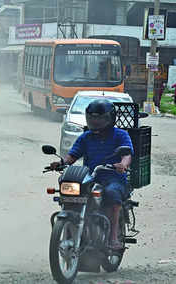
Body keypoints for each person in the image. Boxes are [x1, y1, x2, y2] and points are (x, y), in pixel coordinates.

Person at [51, 99, 133, 250]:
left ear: (110, 118)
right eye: (93, 118)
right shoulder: (86, 137)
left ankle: (113, 238)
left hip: (113, 178)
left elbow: (127, 154)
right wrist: (62, 162)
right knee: (71, 194)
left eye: (100, 118)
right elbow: (73, 155)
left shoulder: (120, 135)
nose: (96, 121)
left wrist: (123, 164)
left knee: (111, 194)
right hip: (91, 177)